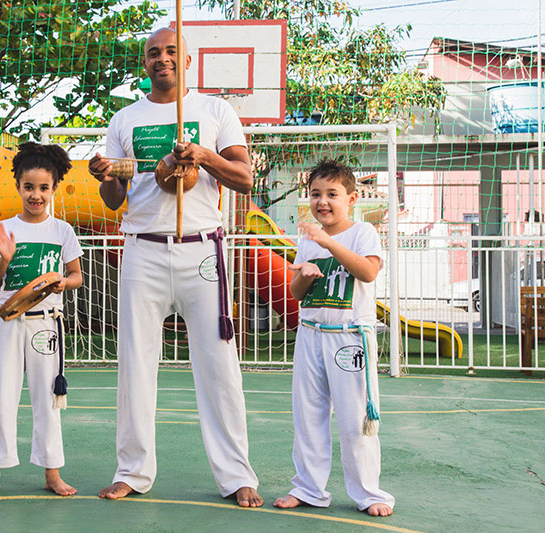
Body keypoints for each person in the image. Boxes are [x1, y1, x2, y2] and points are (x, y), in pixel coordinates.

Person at [88, 27, 262, 508]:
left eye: (170, 52)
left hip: (202, 249)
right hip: (142, 246)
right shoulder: (126, 118)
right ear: (144, 64)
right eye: (152, 53)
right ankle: (133, 471)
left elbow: (245, 179)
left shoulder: (214, 110)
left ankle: (236, 475)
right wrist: (106, 176)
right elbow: (115, 199)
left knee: (218, 365)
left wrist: (203, 156)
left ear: (186, 61)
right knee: (135, 365)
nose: (161, 59)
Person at [274, 160, 395, 517]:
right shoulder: (307, 239)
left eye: (332, 194)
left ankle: (369, 492)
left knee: (355, 417)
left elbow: (369, 272)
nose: (322, 202)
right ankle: (309, 487)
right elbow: (297, 293)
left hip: (348, 339)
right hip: (311, 336)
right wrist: (307, 274)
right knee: (308, 415)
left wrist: (327, 243)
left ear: (352, 198)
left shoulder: (362, 233)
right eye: (315, 194)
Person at [0, 142, 83, 498]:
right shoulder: (4, 229)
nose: (36, 195)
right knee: (2, 396)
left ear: (54, 189)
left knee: (46, 399)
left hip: (46, 323)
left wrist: (63, 282)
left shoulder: (62, 230)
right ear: (17, 186)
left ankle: (52, 472)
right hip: (8, 321)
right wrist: (4, 258)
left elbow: (76, 275)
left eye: (43, 188)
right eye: (29, 187)